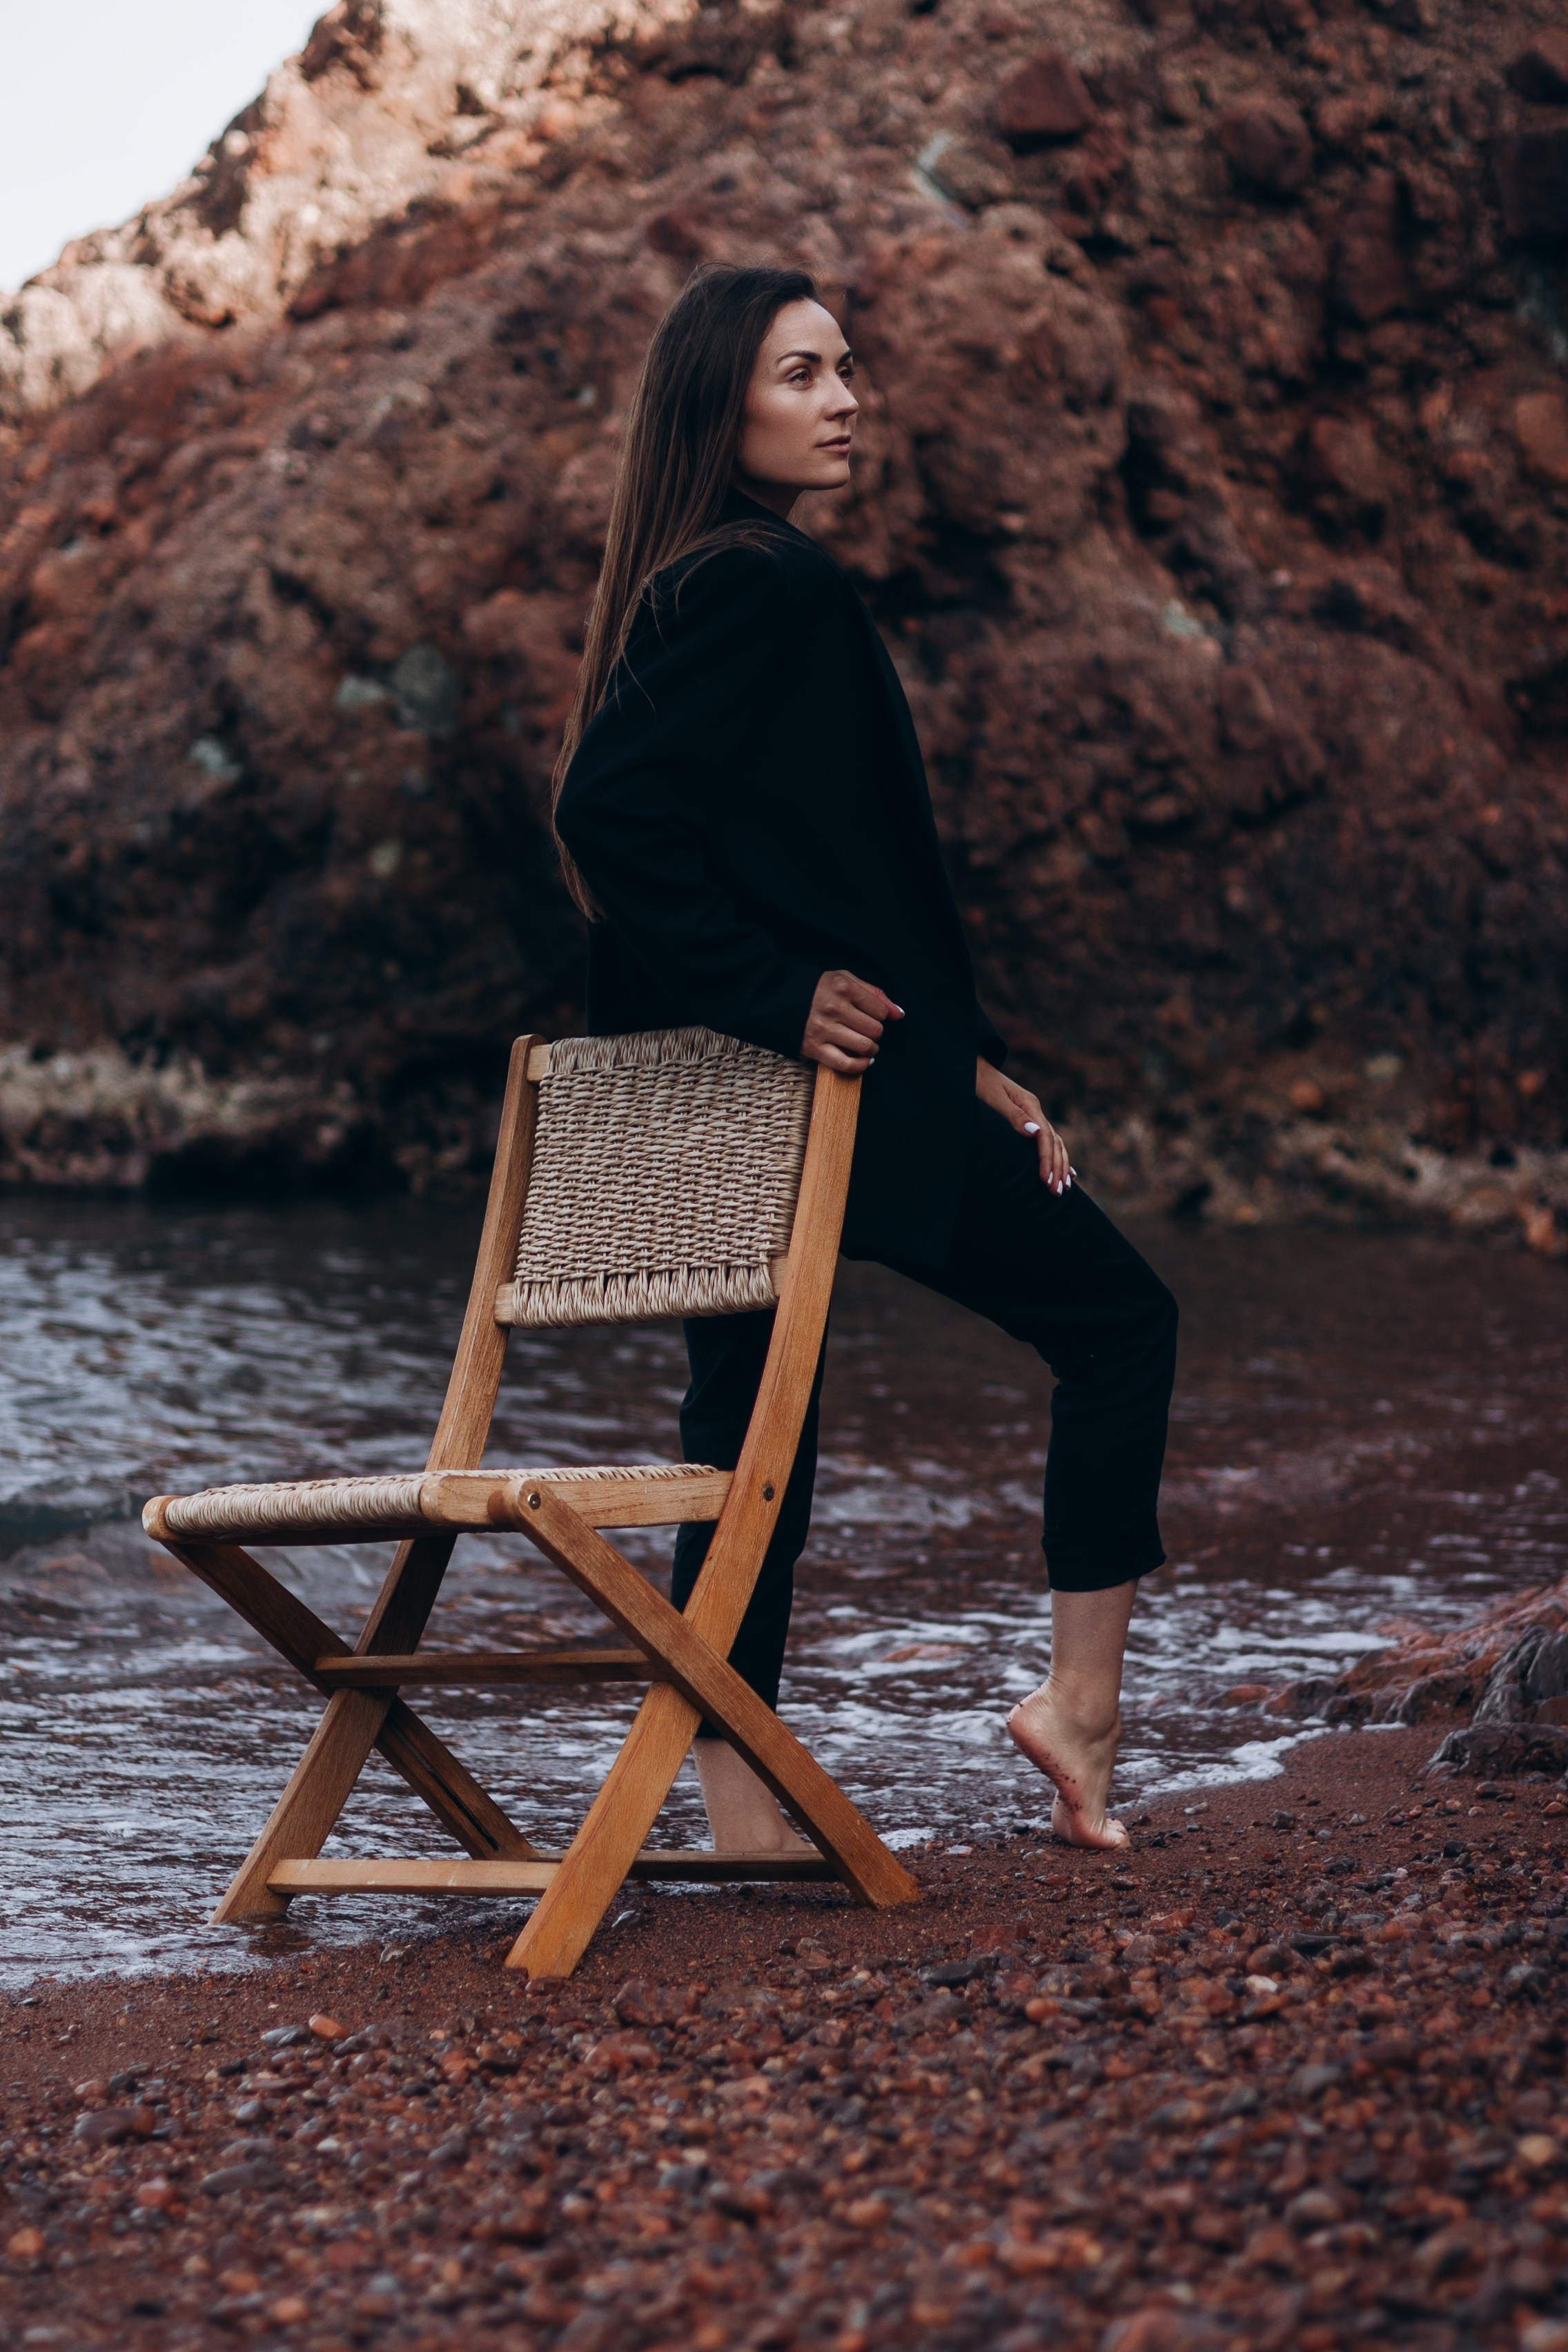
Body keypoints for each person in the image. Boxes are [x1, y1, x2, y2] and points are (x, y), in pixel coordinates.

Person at [552, 264, 1178, 1856]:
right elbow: (605, 820)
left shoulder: (693, 583)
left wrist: (960, 1062)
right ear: (722, 403)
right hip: (803, 1089)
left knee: (745, 1421)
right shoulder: (761, 583)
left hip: (779, 1084)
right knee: (1117, 1321)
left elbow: (810, 876)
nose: (843, 399)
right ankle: (1077, 1714)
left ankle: (740, 1806)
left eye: (845, 369)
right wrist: (783, 997)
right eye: (800, 373)